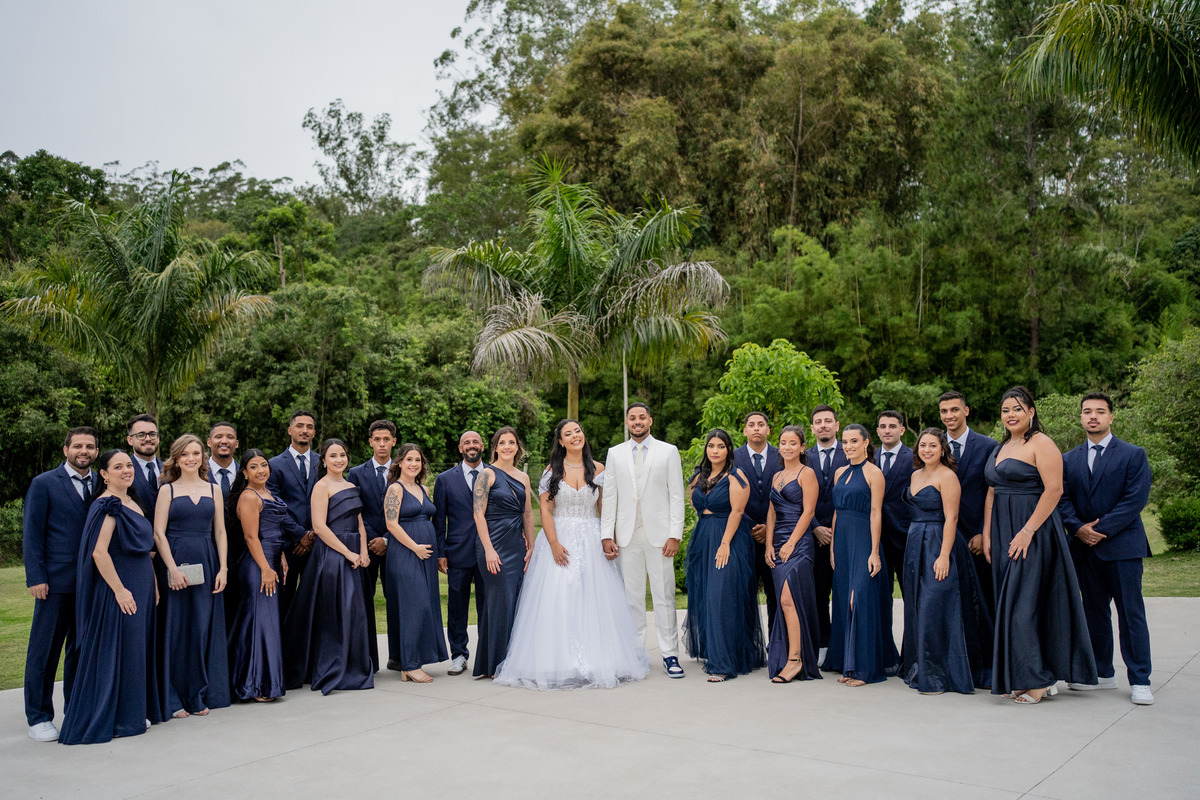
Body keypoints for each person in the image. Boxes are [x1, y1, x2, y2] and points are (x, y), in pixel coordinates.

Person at [495, 420, 650, 690]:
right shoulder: (551, 471)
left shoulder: (598, 469)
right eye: (568, 434)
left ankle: (600, 658)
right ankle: (559, 660)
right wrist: (554, 543)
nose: (575, 436)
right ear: (561, 441)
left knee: (595, 597)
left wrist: (608, 538)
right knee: (561, 595)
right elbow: (545, 510)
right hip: (560, 538)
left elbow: (604, 508)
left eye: (578, 431)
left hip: (592, 538)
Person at [984, 386, 1097, 704]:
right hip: (1003, 532)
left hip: (1033, 532)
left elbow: (1054, 490)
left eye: (1017, 409)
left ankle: (1038, 679)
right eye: (1005, 410)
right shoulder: (1001, 446)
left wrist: (1027, 531)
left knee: (1025, 607)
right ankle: (1022, 675)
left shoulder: (1041, 443)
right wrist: (988, 533)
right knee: (1010, 606)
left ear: (1031, 412)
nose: (1010, 415)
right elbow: (992, 491)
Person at [59, 449, 162, 744]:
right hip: (120, 587)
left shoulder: (133, 501)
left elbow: (145, 552)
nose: (126, 470)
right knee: (120, 650)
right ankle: (118, 718)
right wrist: (120, 590)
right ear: (104, 474)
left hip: (142, 584)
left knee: (136, 650)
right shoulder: (107, 505)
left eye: (129, 465)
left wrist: (154, 584)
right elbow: (99, 553)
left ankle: (132, 710)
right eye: (118, 467)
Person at [1058, 392, 1154, 705]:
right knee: (1093, 612)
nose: (1093, 416)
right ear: (1081, 417)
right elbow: (1062, 499)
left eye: (1100, 411)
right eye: (1087, 411)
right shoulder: (1068, 459)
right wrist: (1077, 528)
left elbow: (1134, 499)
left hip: (1122, 548)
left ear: (1111, 416)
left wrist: (1098, 530)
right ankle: (1102, 673)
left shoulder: (1133, 454)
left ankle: (1140, 679)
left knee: (1130, 614)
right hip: (1083, 549)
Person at [900, 429, 992, 695]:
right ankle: (921, 667)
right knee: (917, 605)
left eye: (933, 445)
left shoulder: (948, 476)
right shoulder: (915, 475)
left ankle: (939, 675)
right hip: (915, 543)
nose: (927, 450)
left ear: (943, 449)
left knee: (934, 605)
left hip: (939, 542)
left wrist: (943, 555)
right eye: (923, 445)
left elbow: (952, 518)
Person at [600, 403, 687, 679]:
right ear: (627, 422)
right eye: (632, 418)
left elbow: (676, 495)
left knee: (664, 596)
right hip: (627, 536)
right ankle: (636, 653)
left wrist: (675, 534)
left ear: (650, 420)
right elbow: (610, 496)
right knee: (632, 598)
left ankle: (669, 654)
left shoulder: (668, 451)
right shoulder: (615, 453)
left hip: (660, 536)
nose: (637, 422)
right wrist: (606, 534)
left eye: (642, 417)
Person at [23, 426, 99, 742]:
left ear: (96, 451)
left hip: (92, 583)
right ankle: (38, 716)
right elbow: (32, 533)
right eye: (78, 446)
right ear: (65, 449)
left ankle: (76, 709)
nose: (84, 451)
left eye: (90, 446)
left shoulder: (102, 482)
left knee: (80, 651)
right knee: (45, 651)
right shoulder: (44, 484)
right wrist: (36, 577)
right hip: (54, 582)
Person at [283, 439, 374, 693]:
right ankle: (331, 665)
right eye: (333, 456)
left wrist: (363, 552)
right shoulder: (321, 486)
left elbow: (360, 523)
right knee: (334, 610)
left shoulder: (351, 485)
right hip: (332, 554)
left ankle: (353, 665)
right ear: (323, 460)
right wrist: (347, 552)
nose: (338, 460)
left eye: (342, 455)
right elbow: (319, 527)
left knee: (354, 611)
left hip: (354, 553)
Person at [153, 434, 232, 718]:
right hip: (175, 562)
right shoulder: (167, 490)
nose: (191, 458)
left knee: (201, 628)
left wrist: (223, 568)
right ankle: (174, 698)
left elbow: (220, 531)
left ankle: (197, 693)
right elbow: (158, 533)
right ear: (176, 458)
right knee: (176, 629)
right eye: (185, 454)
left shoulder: (213, 489)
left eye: (196, 453)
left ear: (202, 457)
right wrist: (172, 569)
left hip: (207, 562)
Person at [683, 428, 767, 682]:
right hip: (703, 538)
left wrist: (725, 543)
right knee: (706, 596)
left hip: (729, 539)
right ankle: (715, 651)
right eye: (711, 446)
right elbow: (695, 504)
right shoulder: (699, 476)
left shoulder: (736, 476)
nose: (715, 450)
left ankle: (723, 664)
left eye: (720, 446)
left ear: (729, 449)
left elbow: (737, 512)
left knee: (722, 597)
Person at [822, 424, 899, 686]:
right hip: (842, 541)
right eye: (845, 442)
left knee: (860, 600)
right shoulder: (839, 472)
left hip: (864, 539)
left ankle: (865, 669)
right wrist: (833, 547)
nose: (848, 446)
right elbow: (836, 511)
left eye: (854, 441)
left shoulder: (874, 473)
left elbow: (876, 512)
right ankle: (848, 664)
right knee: (844, 600)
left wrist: (875, 551)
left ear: (866, 442)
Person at [472, 427, 535, 678]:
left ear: (517, 447)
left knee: (516, 602)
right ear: (495, 447)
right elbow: (478, 514)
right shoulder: (486, 474)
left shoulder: (523, 477)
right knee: (499, 602)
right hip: (493, 545)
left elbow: (527, 514)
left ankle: (511, 661)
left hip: (516, 546)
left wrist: (531, 546)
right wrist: (489, 550)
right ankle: (495, 664)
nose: (507, 446)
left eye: (511, 442)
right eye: (502, 443)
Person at [226, 450, 288, 702]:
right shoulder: (249, 496)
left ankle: (264, 681)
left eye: (264, 465)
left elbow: (275, 531)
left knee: (267, 622)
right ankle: (254, 684)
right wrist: (265, 568)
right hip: (256, 566)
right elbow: (251, 537)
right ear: (244, 472)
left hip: (272, 560)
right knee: (258, 623)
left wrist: (281, 557)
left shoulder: (269, 493)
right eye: (254, 466)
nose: (261, 470)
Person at [383, 443, 448, 683]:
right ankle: (410, 665)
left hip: (425, 556)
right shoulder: (395, 489)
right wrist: (415, 547)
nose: (414, 464)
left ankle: (408, 662)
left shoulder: (424, 488)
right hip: (405, 553)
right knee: (414, 605)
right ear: (400, 462)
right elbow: (391, 524)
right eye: (409, 459)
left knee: (426, 604)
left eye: (418, 460)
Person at [764, 425, 821, 683]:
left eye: (793, 443)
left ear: (802, 447)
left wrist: (791, 543)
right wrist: (769, 544)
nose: (787, 447)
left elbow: (809, 512)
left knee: (790, 600)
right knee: (784, 602)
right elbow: (771, 512)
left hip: (798, 545)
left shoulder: (806, 473)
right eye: (783, 443)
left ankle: (796, 660)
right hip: (778, 544)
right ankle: (790, 655)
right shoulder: (776, 476)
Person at [432, 430, 488, 676]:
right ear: (460, 448)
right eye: (467, 442)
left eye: (475, 441)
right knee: (457, 607)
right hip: (457, 552)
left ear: (482, 446)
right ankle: (458, 655)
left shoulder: (494, 474)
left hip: (488, 552)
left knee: (488, 605)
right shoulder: (445, 479)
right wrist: (440, 553)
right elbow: (439, 520)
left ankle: (488, 655)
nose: (471, 445)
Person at [939, 391, 999, 614]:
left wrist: (984, 532)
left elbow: (994, 493)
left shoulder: (988, 446)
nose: (949, 415)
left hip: (976, 537)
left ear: (966, 411)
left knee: (983, 603)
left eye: (954, 410)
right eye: (944, 411)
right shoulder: (933, 446)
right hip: (943, 536)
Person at [347, 419, 397, 673]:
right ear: (370, 442)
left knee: (395, 601)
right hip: (365, 547)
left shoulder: (403, 470)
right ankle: (367, 660)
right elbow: (355, 510)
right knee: (364, 602)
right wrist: (372, 539)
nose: (382, 444)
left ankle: (398, 657)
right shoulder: (356, 473)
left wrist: (386, 538)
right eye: (377, 439)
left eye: (386, 439)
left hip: (395, 545)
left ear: (394, 442)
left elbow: (406, 508)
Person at [267, 411, 318, 621]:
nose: (304, 430)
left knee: (314, 602)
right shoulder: (274, 464)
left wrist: (312, 535)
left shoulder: (323, 462)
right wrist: (299, 535)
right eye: (299, 426)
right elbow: (275, 505)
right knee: (284, 601)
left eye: (309, 427)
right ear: (290, 430)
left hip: (317, 543)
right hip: (287, 545)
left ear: (314, 432)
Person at [733, 411, 781, 633]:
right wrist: (751, 525)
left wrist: (770, 526)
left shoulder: (782, 455)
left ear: (768, 430)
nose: (756, 428)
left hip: (777, 537)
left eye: (761, 424)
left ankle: (777, 643)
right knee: (744, 593)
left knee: (776, 594)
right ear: (745, 430)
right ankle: (749, 644)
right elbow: (728, 496)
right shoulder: (733, 457)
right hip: (744, 535)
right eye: (751, 424)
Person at [806, 404, 846, 663]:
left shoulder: (851, 451)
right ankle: (822, 644)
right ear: (812, 428)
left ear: (836, 425)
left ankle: (843, 646)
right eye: (818, 422)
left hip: (844, 534)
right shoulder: (804, 456)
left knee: (843, 593)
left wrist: (834, 528)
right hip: (812, 535)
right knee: (818, 593)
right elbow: (797, 497)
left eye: (828, 421)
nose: (823, 425)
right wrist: (815, 527)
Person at [207, 421, 242, 632]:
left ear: (236, 443)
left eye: (229, 437)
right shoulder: (196, 472)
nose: (224, 441)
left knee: (237, 611)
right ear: (209, 442)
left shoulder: (247, 472)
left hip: (241, 554)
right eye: (218, 436)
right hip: (207, 550)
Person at [876, 410, 913, 603]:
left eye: (892, 426)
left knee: (910, 592)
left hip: (904, 534)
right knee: (880, 595)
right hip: (877, 537)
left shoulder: (914, 458)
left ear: (902, 430)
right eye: (883, 427)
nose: (887, 430)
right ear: (877, 431)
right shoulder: (870, 457)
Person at [126, 415, 163, 521]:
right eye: (141, 435)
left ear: (158, 438)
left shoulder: (170, 470)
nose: (148, 439)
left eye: (152, 434)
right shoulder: (123, 472)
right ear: (130, 440)